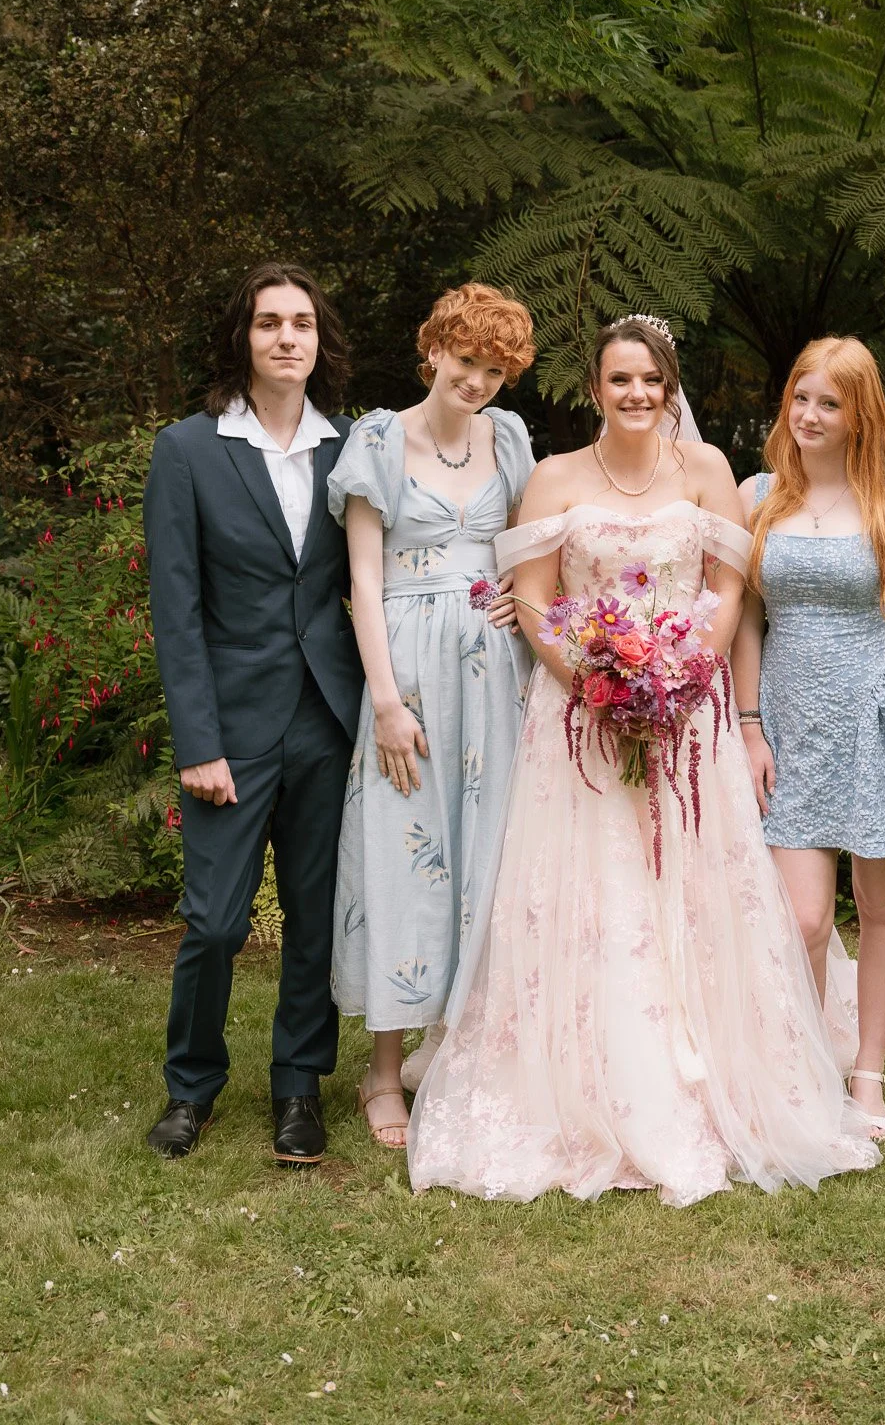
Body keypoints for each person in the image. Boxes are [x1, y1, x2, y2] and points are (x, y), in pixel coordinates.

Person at [406, 315, 878, 1205]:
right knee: (588, 896)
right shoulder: (552, 479)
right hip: (577, 724)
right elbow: (538, 603)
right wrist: (595, 684)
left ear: (669, 390)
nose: (635, 396)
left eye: (650, 382)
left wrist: (677, 674)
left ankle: (715, 1076)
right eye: (618, 381)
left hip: (687, 715)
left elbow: (729, 588)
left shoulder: (704, 474)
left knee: (693, 893)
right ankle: (582, 1087)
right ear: (594, 390)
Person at [142, 262, 364, 1164]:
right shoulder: (188, 450)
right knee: (217, 921)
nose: (286, 338)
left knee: (313, 913)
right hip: (229, 725)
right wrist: (197, 740)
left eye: (302, 324)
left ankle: (299, 1087)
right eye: (269, 322)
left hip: (325, 717)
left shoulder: (351, 448)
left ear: (320, 341)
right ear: (243, 336)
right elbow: (175, 605)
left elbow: (386, 575)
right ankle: (190, 1085)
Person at [326, 283, 537, 1149]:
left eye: (495, 370)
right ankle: (382, 1070)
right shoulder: (378, 438)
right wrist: (383, 700)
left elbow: (531, 545)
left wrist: (524, 603)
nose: (477, 381)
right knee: (400, 852)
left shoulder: (513, 439)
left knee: (492, 853)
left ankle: (459, 1052)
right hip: (409, 669)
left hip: (497, 675)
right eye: (466, 361)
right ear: (434, 349)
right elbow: (363, 581)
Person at [732, 337, 885, 1142]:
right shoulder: (759, 497)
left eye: (829, 403)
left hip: (871, 718)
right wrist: (749, 726)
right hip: (785, 717)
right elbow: (746, 618)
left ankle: (867, 1073)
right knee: (804, 917)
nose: (810, 415)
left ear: (859, 415)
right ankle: (802, 1060)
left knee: (882, 906)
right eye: (800, 398)